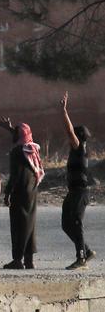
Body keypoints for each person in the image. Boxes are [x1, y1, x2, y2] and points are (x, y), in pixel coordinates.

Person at [0, 120, 44, 269]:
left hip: (20, 192)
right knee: (29, 224)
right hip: (32, 191)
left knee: (18, 225)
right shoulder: (32, 148)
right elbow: (22, 136)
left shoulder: (17, 152)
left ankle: (17, 259)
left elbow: (15, 175)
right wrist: (11, 129)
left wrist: (7, 193)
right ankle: (29, 260)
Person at [60, 92, 96, 270]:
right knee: (66, 224)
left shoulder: (79, 147)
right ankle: (87, 251)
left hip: (81, 192)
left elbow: (69, 130)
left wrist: (64, 111)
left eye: (73, 136)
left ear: (79, 137)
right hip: (73, 192)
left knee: (76, 223)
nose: (69, 138)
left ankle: (81, 258)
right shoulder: (78, 149)